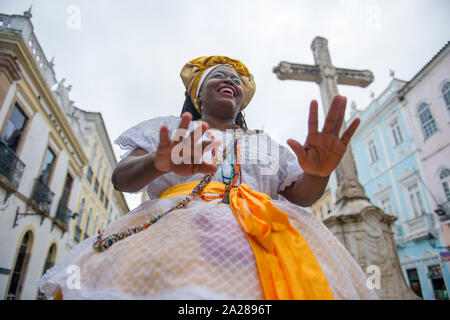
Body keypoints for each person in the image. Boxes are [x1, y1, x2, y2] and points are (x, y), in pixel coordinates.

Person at [39, 56, 379, 300]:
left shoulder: (265, 142)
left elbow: (301, 195)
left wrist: (318, 174)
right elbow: (121, 180)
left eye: (236, 79)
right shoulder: (171, 129)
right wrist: (157, 163)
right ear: (198, 94)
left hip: (270, 246)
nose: (230, 80)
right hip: (173, 243)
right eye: (219, 75)